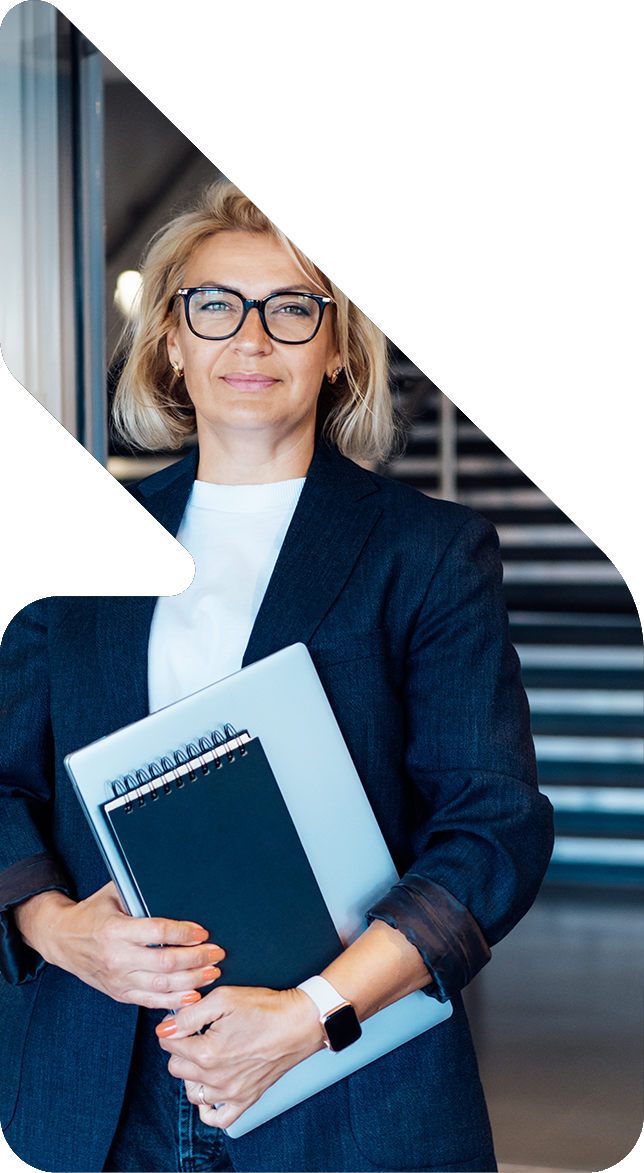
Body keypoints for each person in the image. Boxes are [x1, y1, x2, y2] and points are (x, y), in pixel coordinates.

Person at [0, 182, 554, 1173]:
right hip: (100, 1091)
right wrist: (52, 928)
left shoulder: (425, 552)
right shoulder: (77, 549)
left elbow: (492, 826)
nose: (249, 340)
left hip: (345, 1093)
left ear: (336, 346)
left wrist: (313, 1015)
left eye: (291, 308)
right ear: (170, 338)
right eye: (214, 306)